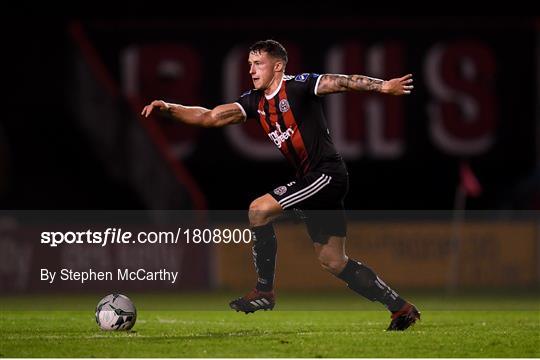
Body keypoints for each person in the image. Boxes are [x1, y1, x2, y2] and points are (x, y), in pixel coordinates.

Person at [142, 39, 420, 330]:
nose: (251, 69)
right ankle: (401, 308)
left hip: (326, 175)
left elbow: (342, 82)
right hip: (313, 181)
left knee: (258, 210)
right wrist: (169, 108)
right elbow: (210, 116)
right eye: (249, 64)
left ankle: (264, 290)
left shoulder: (298, 86)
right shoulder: (254, 101)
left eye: (257, 63)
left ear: (278, 66)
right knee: (334, 261)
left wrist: (382, 86)